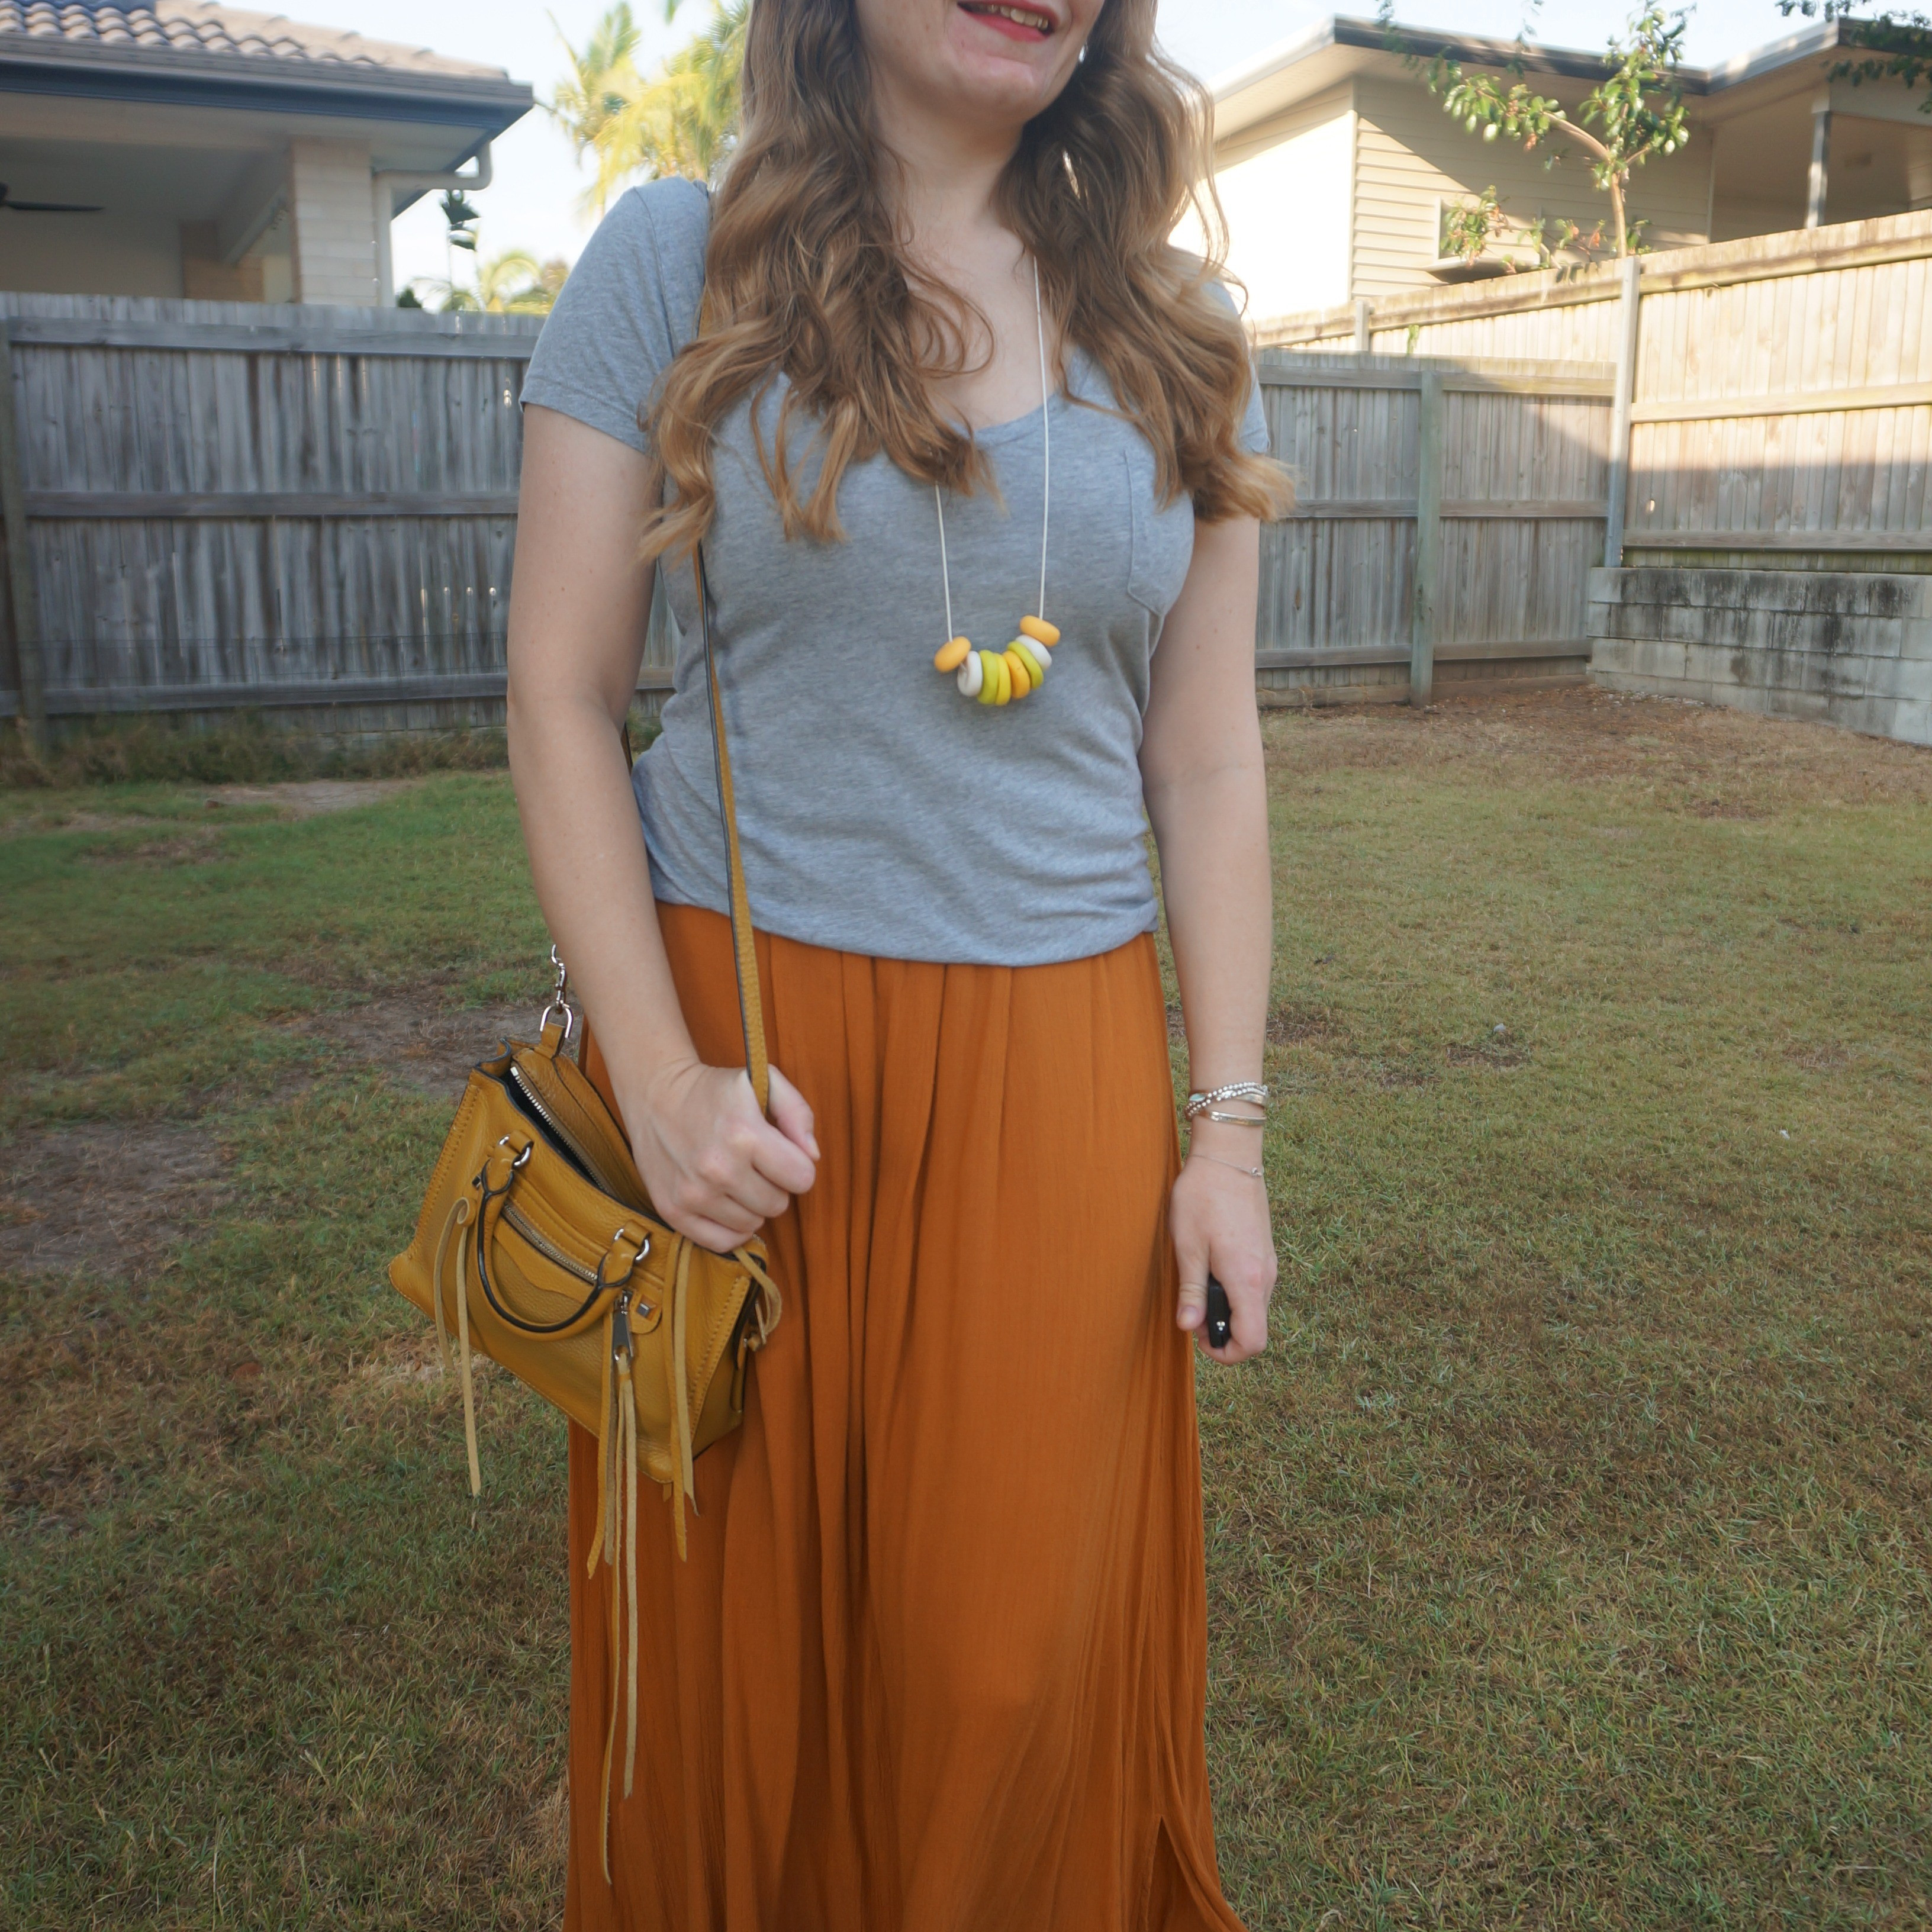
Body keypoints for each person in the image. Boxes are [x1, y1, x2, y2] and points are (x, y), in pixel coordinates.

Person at [507, 0, 1290, 1924]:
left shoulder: (1177, 336)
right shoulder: (677, 265)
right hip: (744, 1074)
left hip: (1060, 1081)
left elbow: (1205, 755)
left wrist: (1233, 1137)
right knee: (737, 1674)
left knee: (999, 1665)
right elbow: (557, 688)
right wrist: (662, 1081)